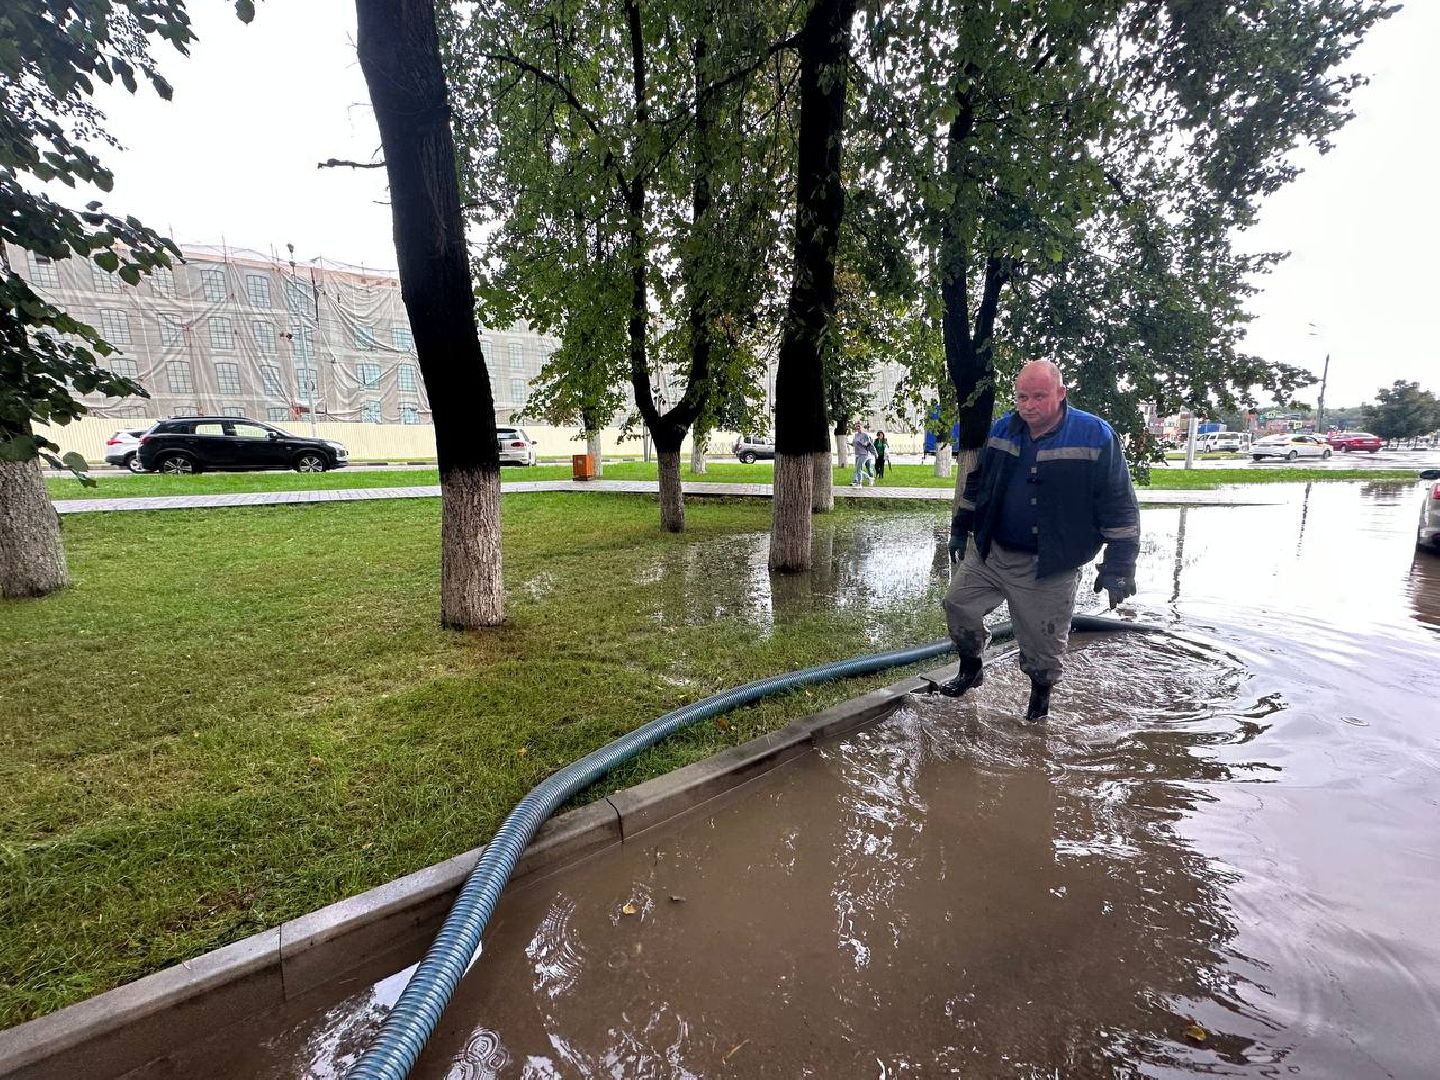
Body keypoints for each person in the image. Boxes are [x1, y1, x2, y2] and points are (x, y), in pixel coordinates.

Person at [939, 360, 1140, 722]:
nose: (1029, 405)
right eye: (1022, 397)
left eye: (1039, 397)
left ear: (1061, 394)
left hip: (1049, 564)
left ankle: (1039, 704)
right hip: (991, 553)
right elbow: (978, 483)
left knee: (1043, 645)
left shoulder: (1094, 435)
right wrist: (960, 527)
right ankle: (971, 669)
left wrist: (1120, 568)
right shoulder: (1003, 429)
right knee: (958, 605)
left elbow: (1119, 505)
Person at [850, 421, 876, 487]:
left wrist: (875, 454)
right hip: (857, 454)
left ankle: (859, 483)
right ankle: (869, 478)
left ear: (862, 427)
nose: (857, 427)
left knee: (858, 469)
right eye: (856, 426)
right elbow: (854, 444)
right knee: (857, 469)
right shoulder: (856, 435)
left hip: (863, 454)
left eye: (859, 426)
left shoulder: (865, 435)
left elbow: (870, 444)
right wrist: (851, 444)